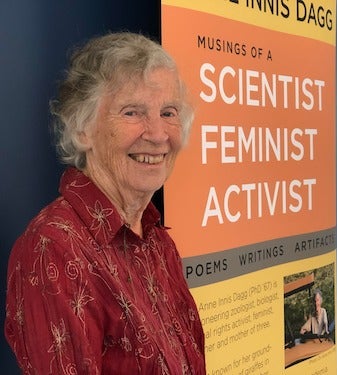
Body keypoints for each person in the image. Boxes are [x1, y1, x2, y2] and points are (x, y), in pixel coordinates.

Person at [4, 32, 206, 374]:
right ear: (82, 129)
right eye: (132, 112)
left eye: (168, 112)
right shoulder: (53, 248)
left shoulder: (157, 241)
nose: (158, 134)